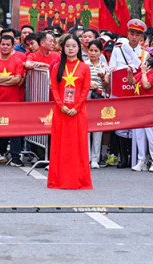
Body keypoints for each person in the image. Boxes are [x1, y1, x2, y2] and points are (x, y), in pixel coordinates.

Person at [48, 35, 92, 189]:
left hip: (78, 113)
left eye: (73, 46)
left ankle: (78, 179)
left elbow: (85, 90)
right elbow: (54, 88)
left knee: (77, 146)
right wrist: (61, 106)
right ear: (63, 48)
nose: (70, 49)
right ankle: (58, 179)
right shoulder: (56, 67)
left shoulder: (84, 67)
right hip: (61, 112)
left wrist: (76, 108)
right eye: (67, 46)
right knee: (61, 145)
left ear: (79, 48)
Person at [0, 34, 25, 167]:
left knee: (14, 130)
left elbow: (17, 80)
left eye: (8, 44)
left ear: (12, 46)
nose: (5, 47)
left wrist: (0, 79)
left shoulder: (18, 61)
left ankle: (15, 157)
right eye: (3, 44)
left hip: (13, 101)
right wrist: (9, 79)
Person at [86, 39, 109, 169]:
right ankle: (87, 157)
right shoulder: (83, 64)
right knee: (86, 129)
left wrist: (101, 78)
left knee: (98, 129)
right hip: (86, 98)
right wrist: (89, 84)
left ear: (100, 52)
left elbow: (107, 86)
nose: (93, 53)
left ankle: (95, 158)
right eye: (91, 50)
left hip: (99, 98)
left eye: (96, 51)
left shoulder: (104, 67)